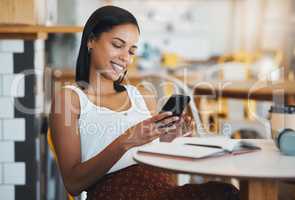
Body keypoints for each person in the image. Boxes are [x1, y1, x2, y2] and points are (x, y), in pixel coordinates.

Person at [50, 5, 239, 200]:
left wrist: (170, 140)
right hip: (115, 193)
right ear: (91, 41)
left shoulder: (142, 96)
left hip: (161, 189)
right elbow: (73, 184)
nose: (125, 58)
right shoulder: (70, 100)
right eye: (117, 45)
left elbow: (155, 155)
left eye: (131, 51)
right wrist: (127, 140)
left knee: (226, 192)